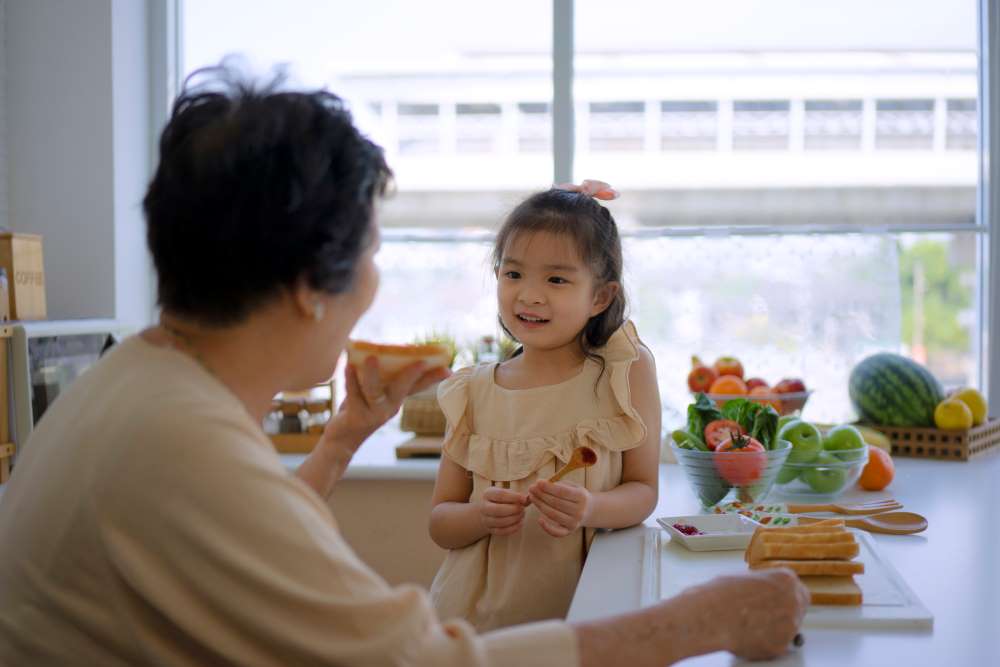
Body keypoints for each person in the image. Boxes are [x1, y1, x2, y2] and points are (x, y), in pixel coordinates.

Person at [0, 66, 807, 666]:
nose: (376, 282)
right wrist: (708, 621)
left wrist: (344, 438)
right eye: (372, 253)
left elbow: (250, 523)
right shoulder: (181, 443)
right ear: (310, 286)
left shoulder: (133, 387)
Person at [427, 182, 660, 630]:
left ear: (600, 297)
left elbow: (644, 490)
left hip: (587, 618)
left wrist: (590, 507)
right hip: (478, 627)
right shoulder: (472, 391)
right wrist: (479, 516)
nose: (529, 295)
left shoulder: (625, 370)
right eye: (513, 274)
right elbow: (441, 523)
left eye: (556, 279)